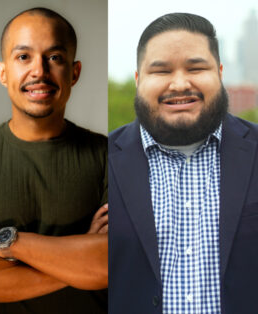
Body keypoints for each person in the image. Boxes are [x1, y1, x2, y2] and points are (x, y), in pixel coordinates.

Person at [0, 7, 108, 313]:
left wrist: (6, 242)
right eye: (23, 57)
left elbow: (109, 263)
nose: (39, 71)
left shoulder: (111, 156)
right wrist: (79, 264)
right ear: (3, 72)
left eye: (54, 57)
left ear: (74, 72)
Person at [109, 12, 258, 314]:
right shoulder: (101, 160)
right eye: (161, 71)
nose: (179, 84)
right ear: (139, 80)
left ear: (219, 72)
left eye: (196, 67)